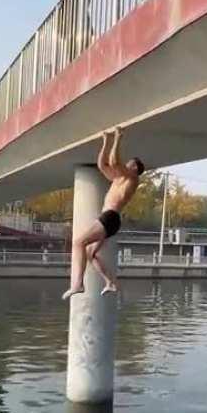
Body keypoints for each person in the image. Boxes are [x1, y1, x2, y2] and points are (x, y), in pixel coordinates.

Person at [62, 128, 145, 300]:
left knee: (78, 243)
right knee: (90, 254)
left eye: (130, 164)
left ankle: (77, 284)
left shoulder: (133, 179)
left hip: (110, 218)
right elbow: (102, 164)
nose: (127, 164)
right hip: (109, 220)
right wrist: (106, 141)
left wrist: (117, 139)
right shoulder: (117, 180)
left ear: (135, 169)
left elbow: (114, 162)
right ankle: (110, 282)